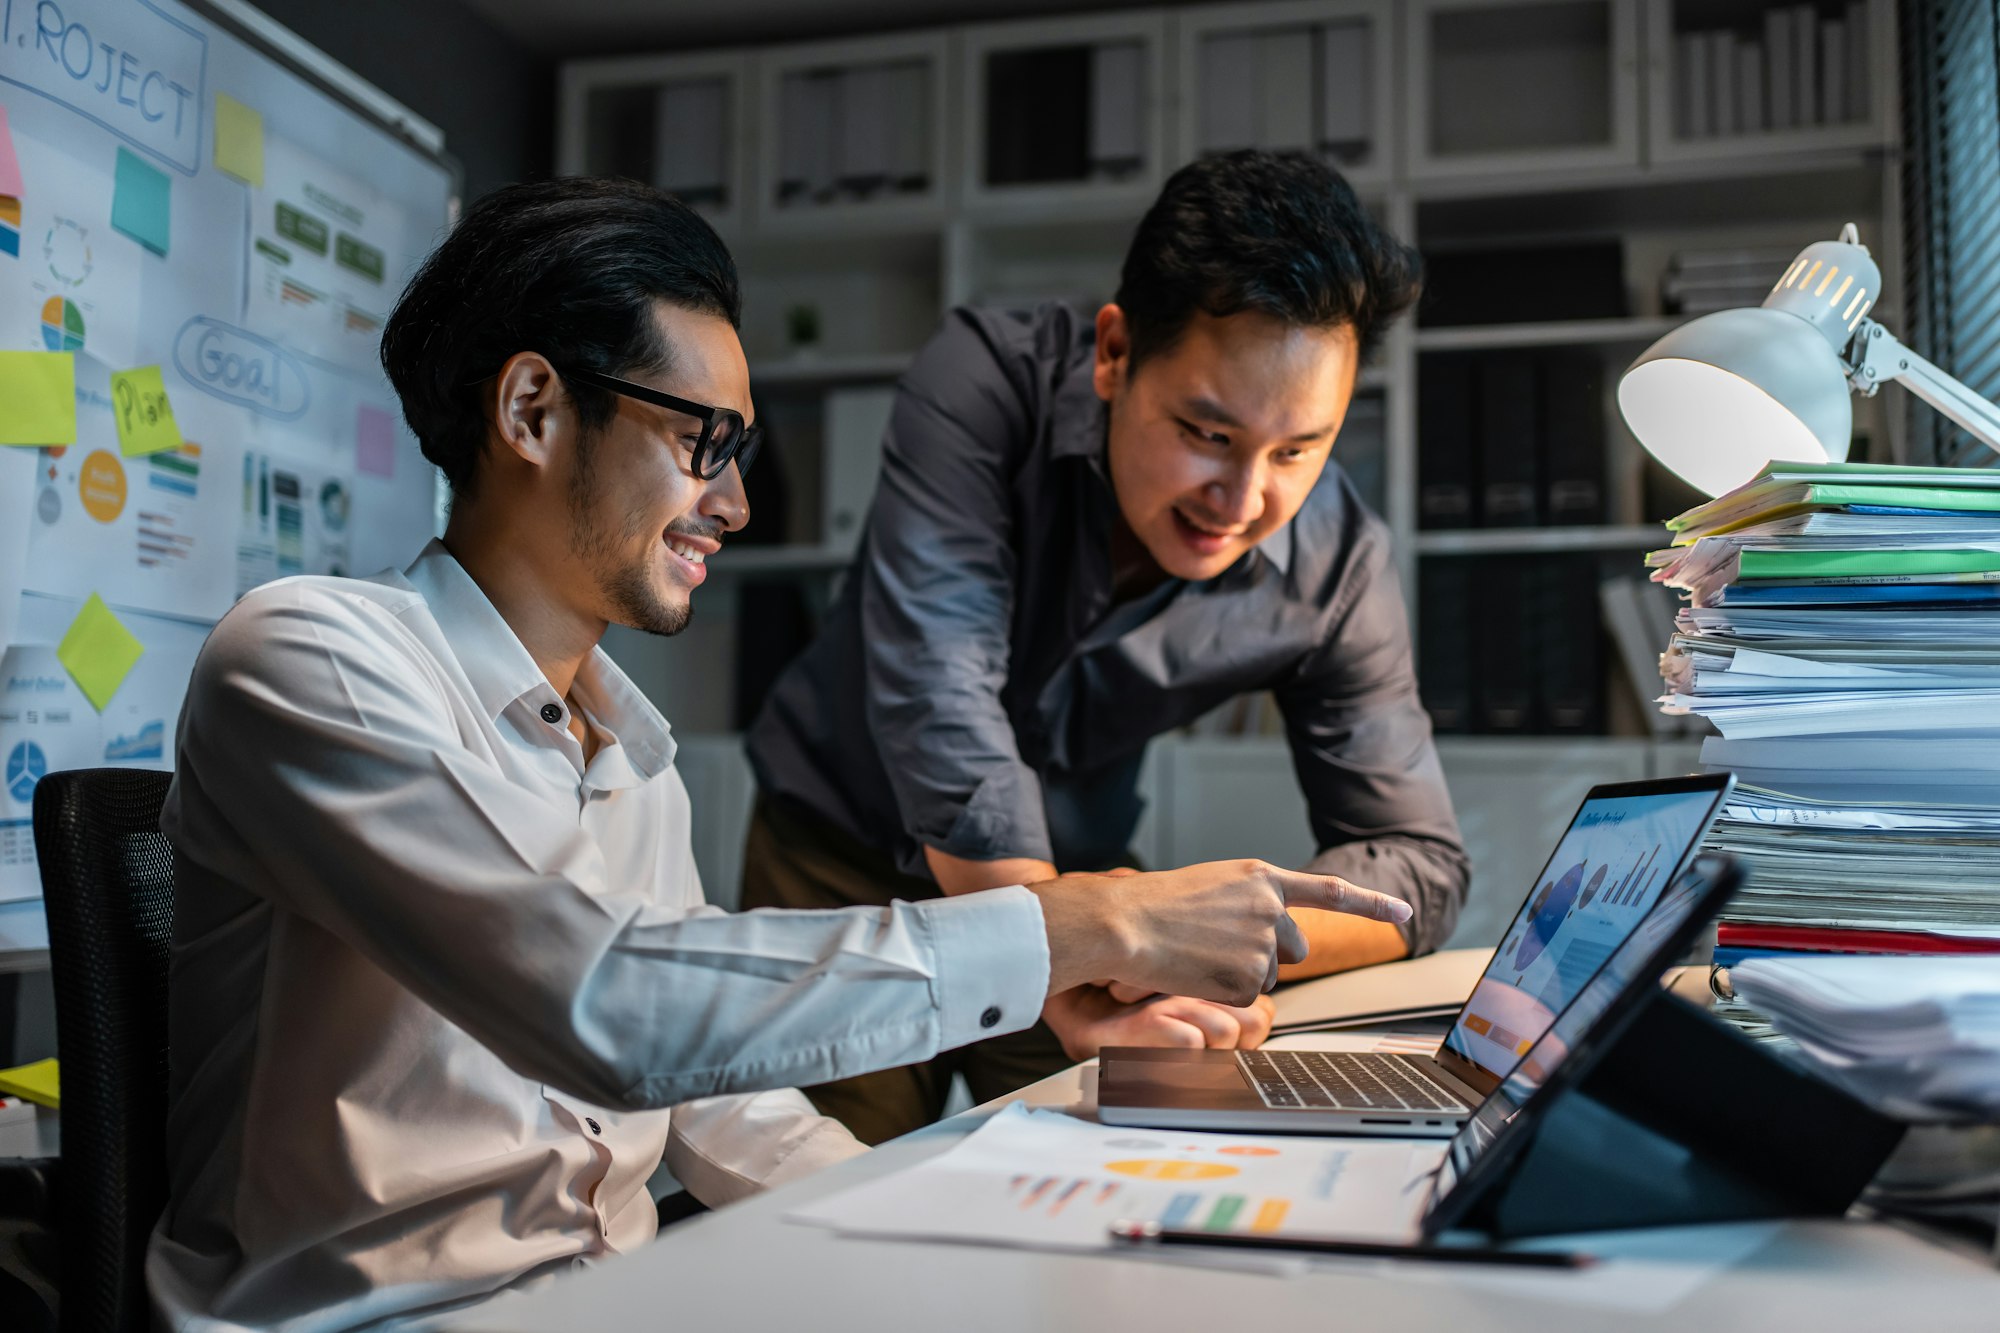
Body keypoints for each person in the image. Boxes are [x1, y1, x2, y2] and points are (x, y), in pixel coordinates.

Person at [145, 176, 1412, 1330]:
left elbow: (707, 1100)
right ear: (533, 409)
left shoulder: (629, 747)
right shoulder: (309, 661)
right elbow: (609, 1011)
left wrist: (938, 1223)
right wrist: (1082, 924)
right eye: (703, 441)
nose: (735, 505)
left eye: (738, 453)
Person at [742, 150, 1470, 1146]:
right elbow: (941, 699)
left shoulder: (1335, 564)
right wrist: (1099, 938)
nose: (1245, 499)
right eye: (1207, 434)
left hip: (1084, 893)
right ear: (1115, 352)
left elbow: (1418, 869)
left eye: (1298, 449)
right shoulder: (984, 382)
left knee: (1125, 1155)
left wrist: (1213, 937)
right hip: (839, 863)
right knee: (816, 1184)